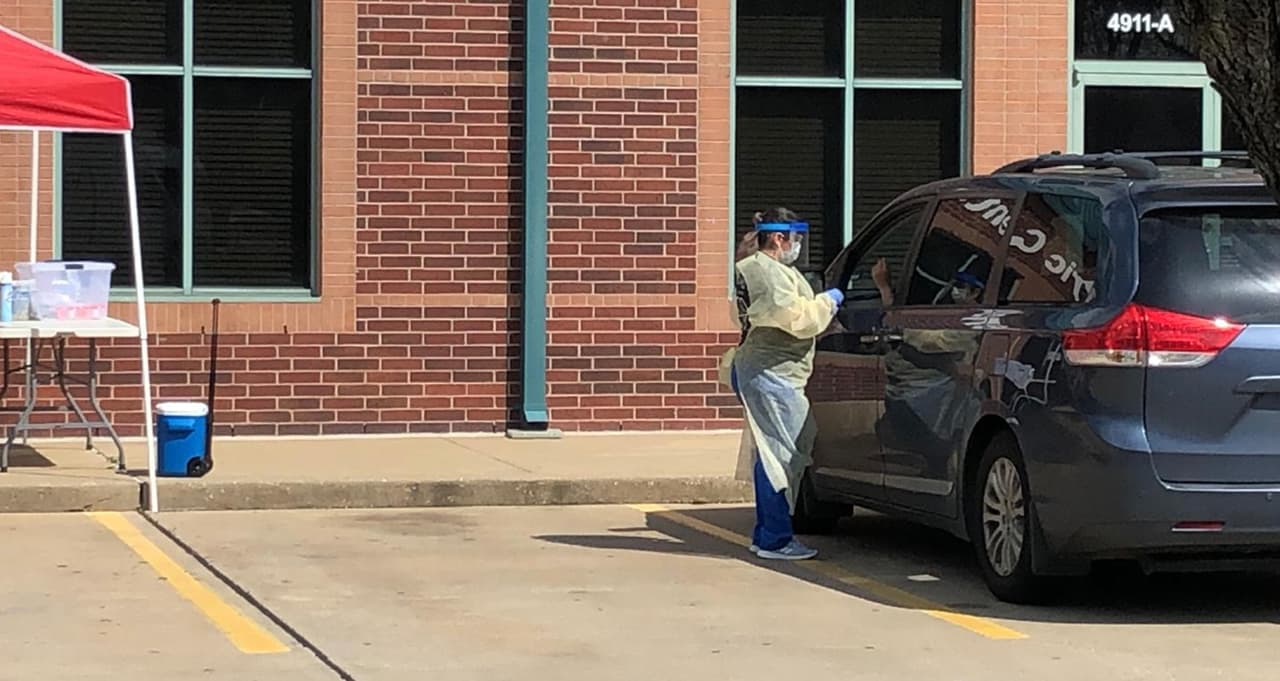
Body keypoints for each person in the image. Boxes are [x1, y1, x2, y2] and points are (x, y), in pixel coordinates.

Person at [730, 208, 843, 561]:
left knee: (772, 455)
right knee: (780, 457)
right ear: (779, 238)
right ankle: (775, 539)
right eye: (795, 239)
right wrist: (829, 301)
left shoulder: (768, 270)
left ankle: (767, 533)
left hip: (770, 371)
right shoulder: (763, 272)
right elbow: (795, 318)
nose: (798, 246)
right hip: (770, 373)